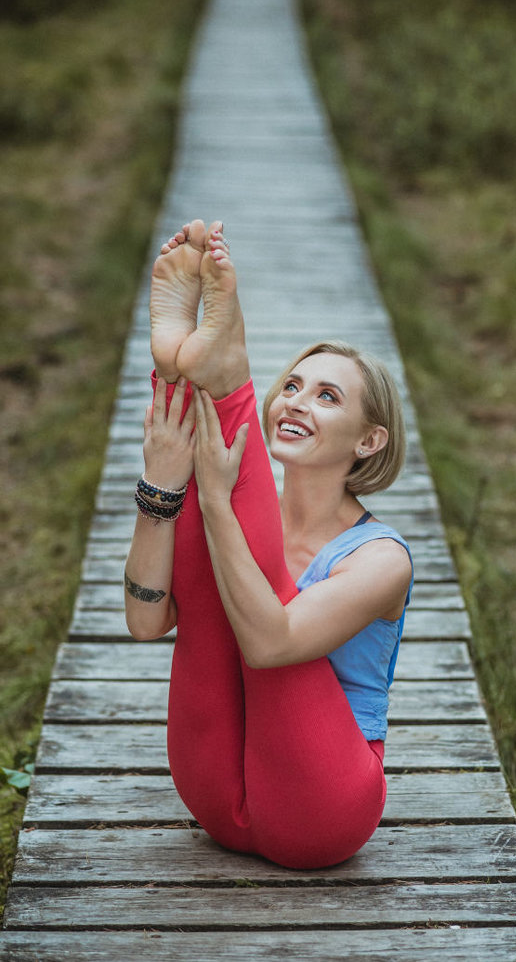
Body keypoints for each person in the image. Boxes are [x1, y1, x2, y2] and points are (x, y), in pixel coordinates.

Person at [124, 218, 413, 869]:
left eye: (328, 395)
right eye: (291, 386)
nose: (296, 402)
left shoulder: (382, 558)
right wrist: (163, 483)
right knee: (215, 582)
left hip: (326, 806)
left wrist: (218, 500)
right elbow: (146, 622)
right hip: (216, 788)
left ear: (368, 439)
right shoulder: (241, 509)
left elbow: (271, 642)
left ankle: (221, 381)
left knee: (254, 595)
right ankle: (182, 381)